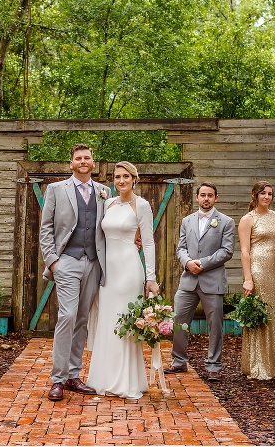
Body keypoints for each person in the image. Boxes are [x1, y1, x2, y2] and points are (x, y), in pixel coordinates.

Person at [39, 143, 108, 401]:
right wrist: (53, 261)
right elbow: (46, 227)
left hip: (93, 262)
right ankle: (57, 379)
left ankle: (73, 375)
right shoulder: (56, 190)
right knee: (66, 316)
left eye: (86, 158)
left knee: (81, 319)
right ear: (71, 163)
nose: (82, 161)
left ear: (93, 162)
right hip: (66, 260)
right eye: (78, 158)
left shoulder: (104, 191)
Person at [86, 162, 160, 398]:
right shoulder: (108, 203)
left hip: (129, 269)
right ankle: (103, 378)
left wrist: (151, 278)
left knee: (124, 322)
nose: (121, 181)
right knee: (107, 321)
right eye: (117, 177)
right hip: (108, 271)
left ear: (134, 179)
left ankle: (125, 381)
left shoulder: (142, 206)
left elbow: (148, 242)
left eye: (125, 176)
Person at [165, 182, 235, 382]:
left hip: (212, 281)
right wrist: (187, 263)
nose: (206, 198)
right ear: (197, 197)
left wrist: (202, 264)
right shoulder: (187, 221)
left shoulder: (226, 222)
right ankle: (178, 361)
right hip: (188, 280)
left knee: (215, 325)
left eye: (210, 195)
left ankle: (213, 365)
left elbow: (227, 251)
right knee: (179, 320)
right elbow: (181, 248)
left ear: (216, 198)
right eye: (203, 195)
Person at [239, 181, 275, 380]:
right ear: (255, 195)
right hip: (257, 271)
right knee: (260, 316)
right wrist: (248, 279)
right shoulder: (247, 219)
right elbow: (244, 251)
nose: (267, 197)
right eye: (263, 193)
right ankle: (258, 365)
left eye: (270, 194)